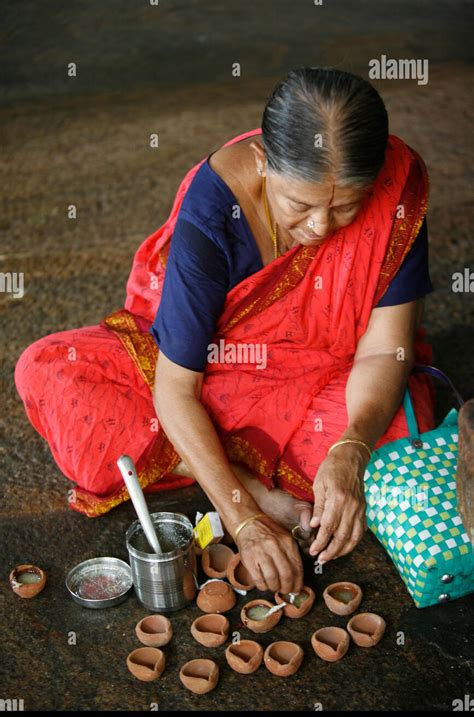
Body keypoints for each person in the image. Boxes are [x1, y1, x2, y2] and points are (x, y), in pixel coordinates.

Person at [15, 67, 435, 595]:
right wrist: (244, 517)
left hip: (326, 368)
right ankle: (247, 481)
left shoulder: (398, 186)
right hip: (204, 367)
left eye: (347, 207)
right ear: (263, 162)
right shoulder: (213, 210)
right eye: (299, 206)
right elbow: (175, 385)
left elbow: (383, 351)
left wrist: (353, 446)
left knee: (398, 442)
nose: (322, 228)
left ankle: (204, 456)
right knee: (53, 373)